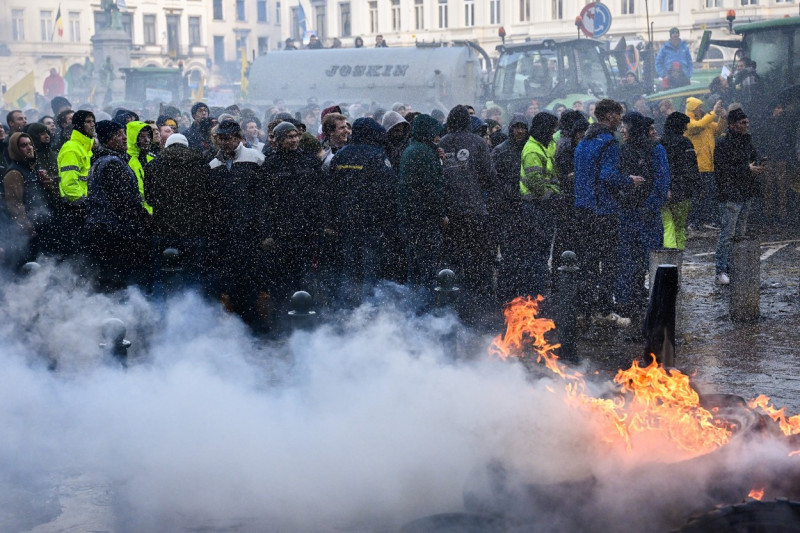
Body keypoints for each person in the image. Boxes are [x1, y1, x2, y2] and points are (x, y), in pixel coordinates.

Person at [574, 99, 644, 326]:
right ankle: (604, 311)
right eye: (618, 115)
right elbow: (607, 176)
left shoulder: (584, 141)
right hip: (604, 210)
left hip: (583, 208)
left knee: (588, 262)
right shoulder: (608, 143)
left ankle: (584, 310)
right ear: (608, 116)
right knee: (610, 261)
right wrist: (629, 181)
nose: (620, 120)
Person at [439, 104, 498, 326]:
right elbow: (490, 177)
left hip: (450, 214)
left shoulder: (442, 144)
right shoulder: (478, 143)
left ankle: (455, 307)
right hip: (474, 211)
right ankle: (479, 309)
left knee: (454, 260)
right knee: (478, 261)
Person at [260, 121, 324, 323]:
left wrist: (319, 224)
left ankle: (308, 321)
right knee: (281, 282)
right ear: (279, 141)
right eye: (289, 137)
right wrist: (268, 232)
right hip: (281, 233)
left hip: (306, 231)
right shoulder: (270, 165)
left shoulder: (308, 161)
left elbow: (319, 195)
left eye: (296, 136)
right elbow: (264, 202)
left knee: (306, 280)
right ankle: (280, 322)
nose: (294, 140)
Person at [328, 118, 396, 307]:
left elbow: (331, 192)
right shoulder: (377, 155)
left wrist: (334, 220)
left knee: (350, 272)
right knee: (370, 273)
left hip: (346, 225)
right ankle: (368, 315)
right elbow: (389, 190)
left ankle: (346, 312)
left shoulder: (340, 156)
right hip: (371, 225)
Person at [206, 120, 267, 326]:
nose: (225, 142)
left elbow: (265, 196)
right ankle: (236, 324)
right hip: (225, 232)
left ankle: (252, 322)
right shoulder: (213, 164)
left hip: (251, 230)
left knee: (249, 279)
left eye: (229, 138)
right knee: (229, 280)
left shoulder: (256, 159)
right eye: (221, 138)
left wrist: (261, 226)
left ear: (238, 138)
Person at [84, 120, 152, 290]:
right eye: (118, 135)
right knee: (118, 282)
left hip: (106, 229)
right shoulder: (112, 163)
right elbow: (125, 201)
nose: (124, 138)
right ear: (108, 140)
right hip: (114, 233)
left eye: (124, 134)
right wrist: (145, 218)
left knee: (110, 279)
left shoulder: (104, 161)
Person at [616, 112, 670, 317]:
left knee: (651, 257)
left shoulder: (656, 149)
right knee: (628, 258)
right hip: (628, 212)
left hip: (646, 214)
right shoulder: (623, 150)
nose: (622, 130)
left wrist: (650, 206)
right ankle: (628, 297)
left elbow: (662, 181)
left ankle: (652, 297)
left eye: (625, 126)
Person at [144, 133, 212, 288]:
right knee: (194, 276)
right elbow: (208, 196)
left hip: (163, 230)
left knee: (159, 276)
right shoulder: (201, 164)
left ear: (166, 146)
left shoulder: (153, 165)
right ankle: (193, 306)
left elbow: (149, 198)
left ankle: (159, 307)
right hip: (193, 230)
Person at [397, 114, 446, 305]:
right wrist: (440, 214)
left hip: (411, 219)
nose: (438, 138)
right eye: (435, 134)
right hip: (423, 220)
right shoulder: (423, 153)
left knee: (415, 267)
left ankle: (412, 310)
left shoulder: (412, 150)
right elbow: (432, 188)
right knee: (427, 268)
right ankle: (424, 308)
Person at [713, 108, 763, 285]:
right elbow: (723, 170)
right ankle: (721, 269)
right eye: (743, 123)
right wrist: (746, 168)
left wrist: (758, 163)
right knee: (728, 233)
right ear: (733, 125)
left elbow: (752, 156)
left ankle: (735, 266)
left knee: (740, 233)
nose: (746, 125)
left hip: (745, 191)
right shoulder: (723, 143)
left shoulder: (746, 140)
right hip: (730, 193)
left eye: (747, 122)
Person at [516, 112, 560, 299]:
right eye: (551, 129)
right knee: (537, 253)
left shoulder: (544, 146)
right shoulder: (533, 150)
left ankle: (537, 291)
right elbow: (536, 182)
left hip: (540, 207)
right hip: (535, 207)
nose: (553, 133)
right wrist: (553, 196)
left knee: (540, 252)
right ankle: (535, 293)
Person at [3, 133, 58, 266]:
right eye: (23, 145)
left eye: (30, 144)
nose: (29, 148)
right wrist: (28, 228)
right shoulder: (14, 173)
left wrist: (48, 185)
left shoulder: (33, 168)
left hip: (44, 226)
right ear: (16, 150)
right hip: (30, 232)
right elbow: (15, 204)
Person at [489, 114, 528, 302]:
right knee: (508, 254)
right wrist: (512, 193)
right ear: (510, 129)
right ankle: (506, 295)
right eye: (516, 127)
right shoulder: (501, 151)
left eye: (523, 127)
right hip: (505, 209)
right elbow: (493, 179)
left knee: (522, 253)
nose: (520, 131)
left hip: (524, 208)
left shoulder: (529, 149)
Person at [685, 97, 727, 231]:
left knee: (710, 194)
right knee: (698, 195)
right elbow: (698, 126)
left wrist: (723, 117)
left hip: (708, 164)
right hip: (697, 165)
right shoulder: (688, 123)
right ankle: (694, 221)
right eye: (699, 108)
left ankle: (709, 220)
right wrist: (713, 112)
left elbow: (718, 130)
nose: (701, 110)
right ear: (693, 109)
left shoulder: (705, 121)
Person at [659, 112, 698, 251]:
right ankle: (678, 255)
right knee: (679, 227)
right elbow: (692, 167)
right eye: (684, 126)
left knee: (667, 225)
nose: (686, 129)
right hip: (683, 192)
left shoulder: (660, 143)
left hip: (665, 191)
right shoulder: (685, 143)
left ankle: (668, 254)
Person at [125, 121, 155, 214]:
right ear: (133, 138)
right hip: (136, 213)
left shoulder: (152, 159)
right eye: (142, 137)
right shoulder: (126, 161)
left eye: (149, 136)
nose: (147, 140)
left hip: (153, 211)